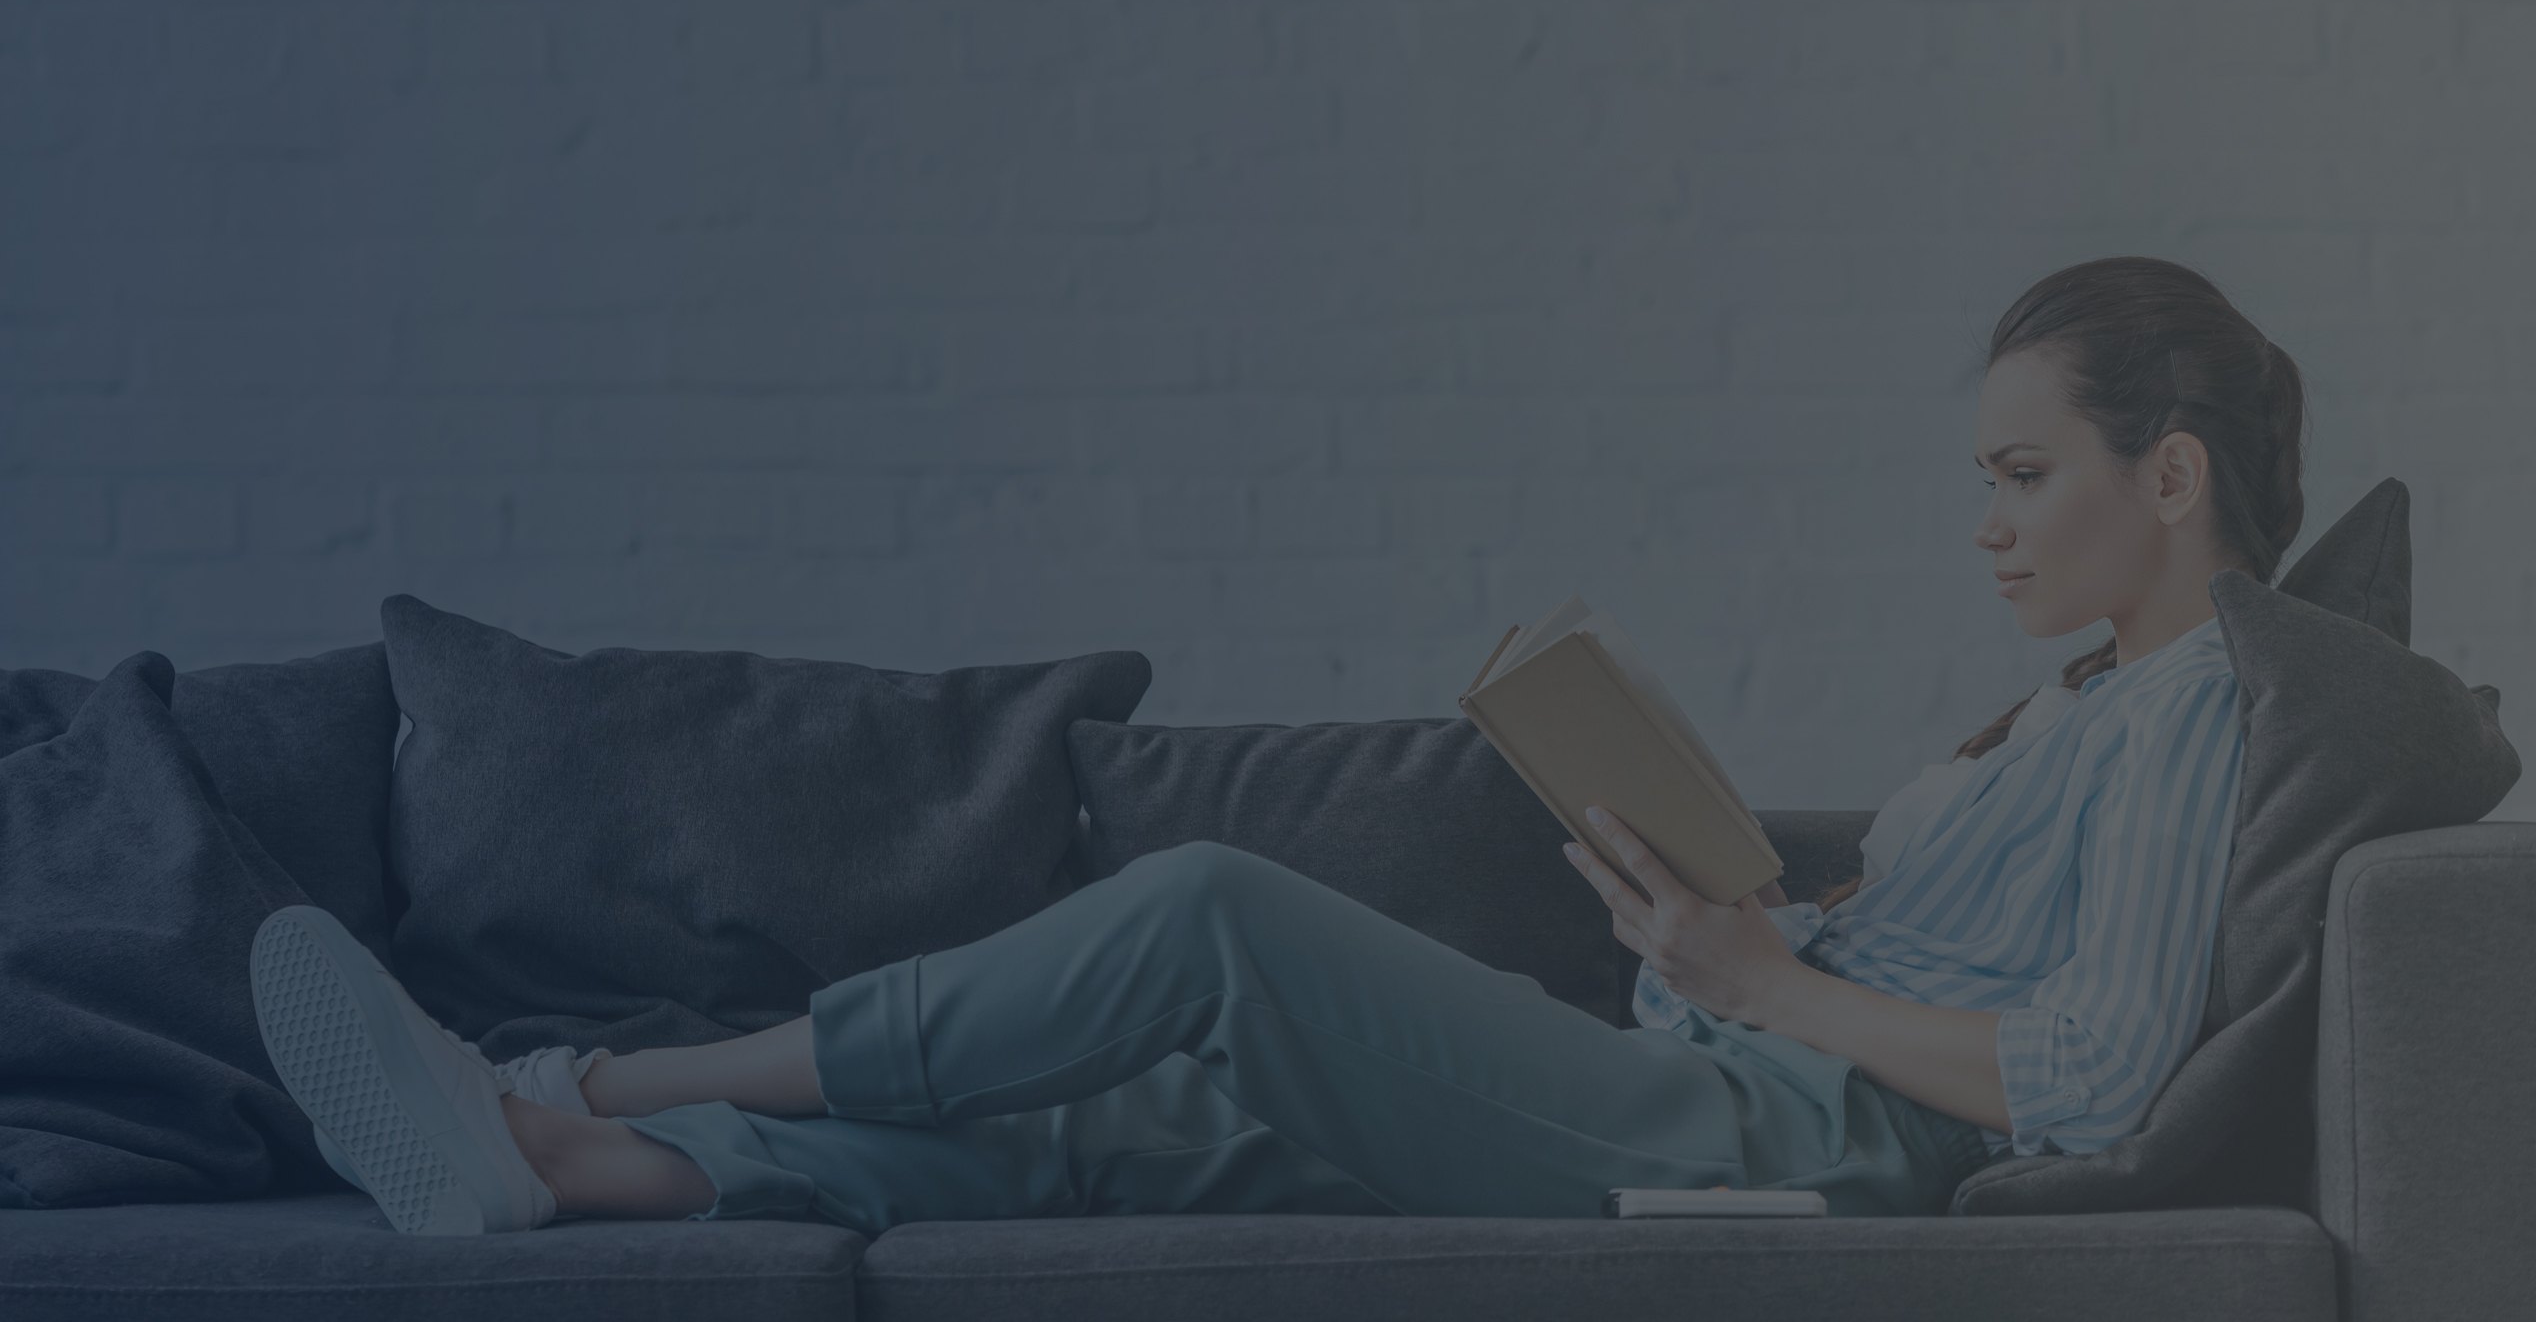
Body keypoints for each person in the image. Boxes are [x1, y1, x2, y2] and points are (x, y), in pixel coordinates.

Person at [250, 255, 2301, 1236]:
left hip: (1797, 1149)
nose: (1987, 520)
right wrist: (1760, 921)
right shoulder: (2083, 706)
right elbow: (1974, 967)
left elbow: (2098, 1067)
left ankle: (588, 1067)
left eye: (2025, 474)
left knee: (1211, 920)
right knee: (1132, 1113)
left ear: (2174, 473)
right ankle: (592, 1175)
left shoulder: (2205, 705)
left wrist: (1761, 977)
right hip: (1724, 1074)